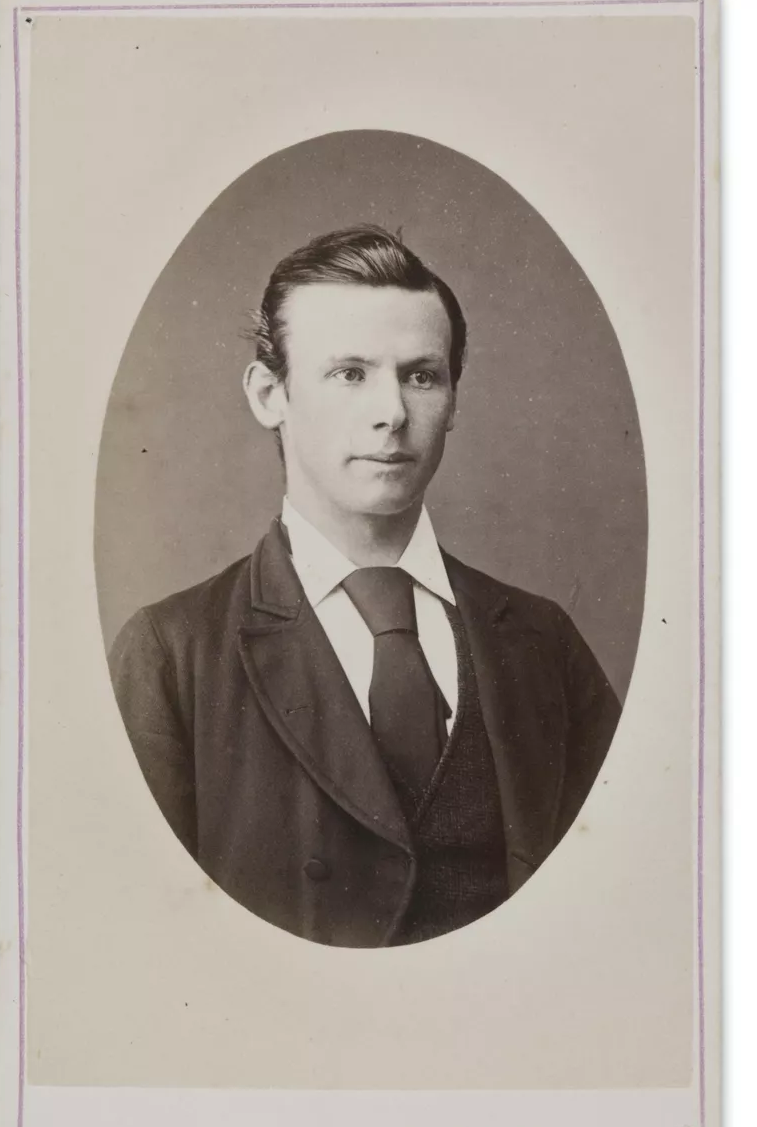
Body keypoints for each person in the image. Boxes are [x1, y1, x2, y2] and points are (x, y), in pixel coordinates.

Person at [109, 225, 621, 948]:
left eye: (422, 376)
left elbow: (621, 899)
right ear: (269, 394)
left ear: (453, 400)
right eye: (350, 373)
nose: (393, 412)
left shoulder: (543, 642)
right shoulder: (171, 654)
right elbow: (142, 938)